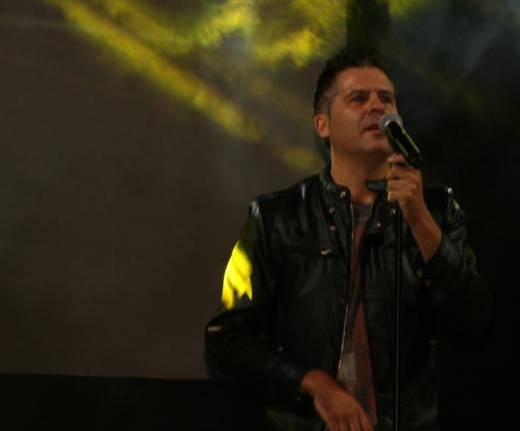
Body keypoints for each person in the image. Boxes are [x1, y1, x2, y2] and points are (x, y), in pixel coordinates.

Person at [205, 49, 492, 430]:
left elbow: (474, 317)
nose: (377, 107)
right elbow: (226, 339)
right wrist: (315, 384)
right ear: (323, 125)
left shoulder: (436, 211)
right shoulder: (277, 217)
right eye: (358, 98)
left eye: (386, 99)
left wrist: (419, 217)